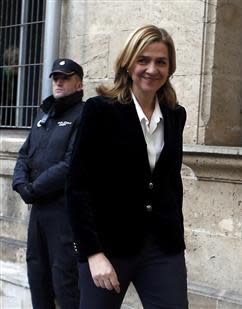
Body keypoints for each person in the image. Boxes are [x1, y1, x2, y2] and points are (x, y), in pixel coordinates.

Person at [66, 25, 188, 308]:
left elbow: (170, 183)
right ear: (128, 62)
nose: (151, 69)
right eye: (143, 60)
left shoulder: (174, 115)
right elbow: (77, 187)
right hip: (108, 247)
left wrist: (175, 236)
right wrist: (92, 254)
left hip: (162, 247)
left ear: (170, 68)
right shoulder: (99, 111)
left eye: (161, 62)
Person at [12, 58, 84, 309]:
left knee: (64, 280)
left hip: (63, 212)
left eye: (65, 77)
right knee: (37, 274)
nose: (59, 82)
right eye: (55, 77)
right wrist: (20, 184)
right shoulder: (44, 112)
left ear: (79, 82)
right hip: (38, 211)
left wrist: (33, 188)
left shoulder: (83, 115)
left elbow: (70, 164)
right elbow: (24, 153)